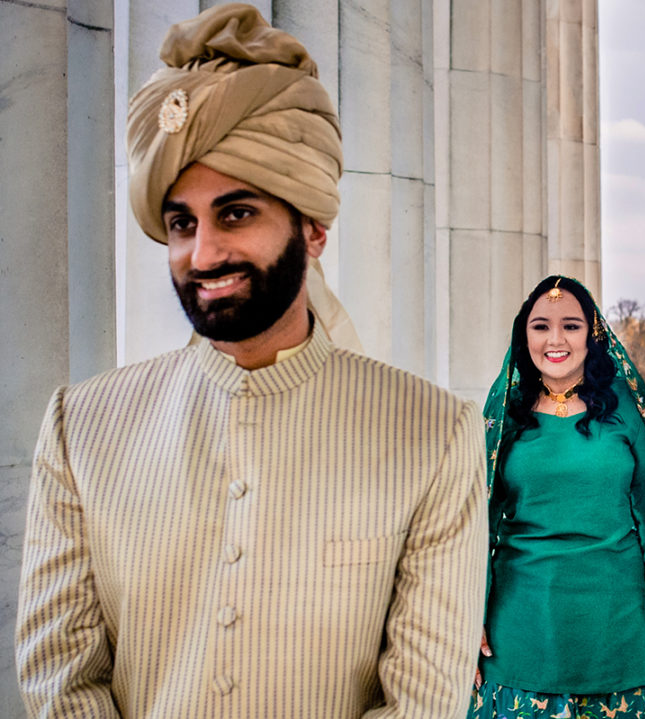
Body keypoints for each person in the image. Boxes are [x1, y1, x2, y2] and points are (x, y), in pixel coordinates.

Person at [16, 5, 486, 717]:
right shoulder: (80, 430)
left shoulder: (433, 434)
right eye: (182, 223)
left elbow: (421, 703)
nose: (202, 255)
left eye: (236, 213)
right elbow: (60, 681)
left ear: (314, 228)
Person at [472, 276, 645, 718]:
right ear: (524, 336)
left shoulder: (627, 408)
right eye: (541, 326)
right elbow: (477, 523)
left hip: (615, 616)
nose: (556, 340)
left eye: (571, 326)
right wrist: (470, 614)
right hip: (521, 615)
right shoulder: (504, 412)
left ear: (593, 334)